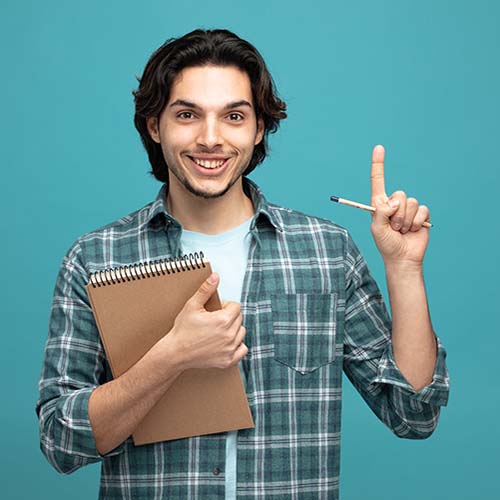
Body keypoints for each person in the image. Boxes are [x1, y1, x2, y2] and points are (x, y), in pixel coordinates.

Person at [36, 28, 450, 499]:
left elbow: (413, 413)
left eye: (233, 116)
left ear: (257, 129)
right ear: (155, 125)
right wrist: (170, 359)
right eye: (187, 114)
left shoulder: (327, 251)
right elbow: (60, 441)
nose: (210, 138)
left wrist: (405, 270)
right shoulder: (94, 259)